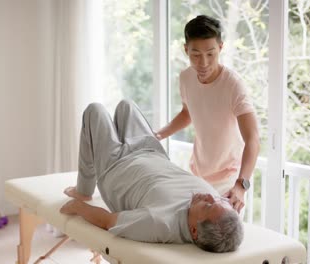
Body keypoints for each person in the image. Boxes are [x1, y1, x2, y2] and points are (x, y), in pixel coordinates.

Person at [60, 100, 243, 253]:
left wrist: (78, 207)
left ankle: (83, 190)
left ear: (194, 230)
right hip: (150, 151)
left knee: (95, 110)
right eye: (219, 200)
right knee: (127, 106)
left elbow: (108, 221)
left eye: (207, 205)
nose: (210, 196)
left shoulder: (160, 223)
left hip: (114, 167)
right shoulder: (218, 208)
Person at [154, 15, 260, 213]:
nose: (203, 63)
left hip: (229, 178)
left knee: (218, 238)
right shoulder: (186, 78)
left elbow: (253, 139)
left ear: (220, 48)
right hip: (197, 174)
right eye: (196, 55)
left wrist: (241, 185)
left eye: (210, 54)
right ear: (186, 50)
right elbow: (188, 113)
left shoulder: (233, 84)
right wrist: (158, 135)